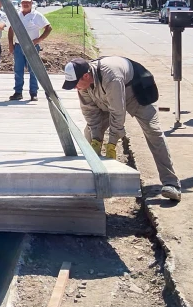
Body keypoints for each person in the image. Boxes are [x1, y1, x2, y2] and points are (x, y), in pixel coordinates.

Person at [62, 57, 181, 201]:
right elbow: (90, 113)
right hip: (106, 99)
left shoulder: (111, 76)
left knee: (153, 132)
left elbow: (118, 113)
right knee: (89, 133)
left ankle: (171, 183)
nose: (75, 87)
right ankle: (91, 181)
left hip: (135, 95)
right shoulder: (84, 85)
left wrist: (112, 142)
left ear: (86, 76)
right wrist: (96, 139)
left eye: (75, 84)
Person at [8, 0, 52, 101]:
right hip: (18, 46)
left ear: (31, 3)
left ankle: (33, 93)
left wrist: (39, 40)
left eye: (28, 2)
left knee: (33, 70)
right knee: (18, 70)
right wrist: (10, 44)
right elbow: (11, 29)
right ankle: (18, 92)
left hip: (32, 47)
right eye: (24, 2)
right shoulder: (17, 15)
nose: (25, 4)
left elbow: (49, 28)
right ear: (21, 3)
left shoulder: (37, 15)